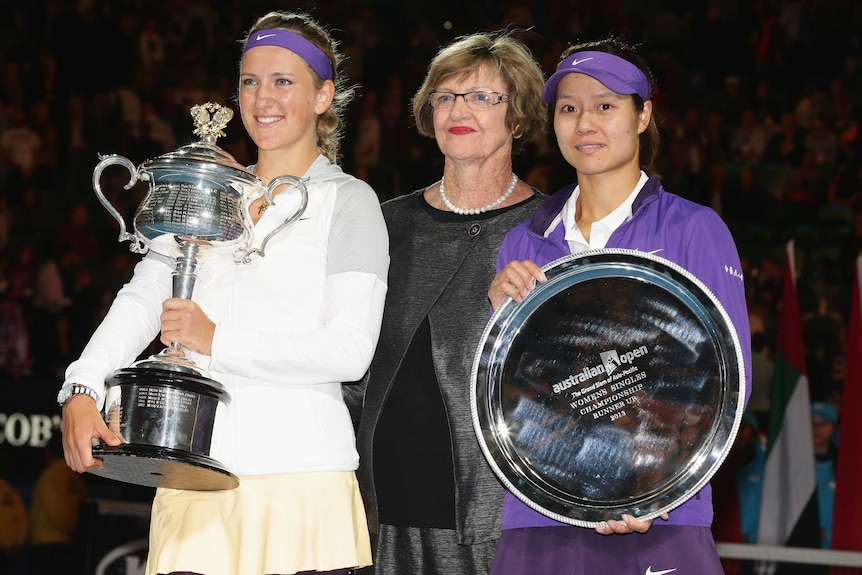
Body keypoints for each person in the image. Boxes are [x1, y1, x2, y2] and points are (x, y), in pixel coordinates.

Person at [58, 10, 388, 575]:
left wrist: (216, 340)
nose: (263, 98)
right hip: (192, 476)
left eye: (284, 81)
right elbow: (142, 298)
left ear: (323, 95)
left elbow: (350, 351)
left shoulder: (349, 202)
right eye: (250, 81)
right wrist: (83, 384)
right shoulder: (208, 191)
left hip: (302, 487)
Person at [487, 37, 752, 574]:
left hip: (661, 518)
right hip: (542, 514)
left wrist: (651, 489)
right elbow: (512, 394)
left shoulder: (694, 228)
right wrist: (496, 317)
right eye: (569, 108)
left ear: (642, 115)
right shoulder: (523, 243)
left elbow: (725, 381)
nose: (585, 122)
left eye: (605, 105)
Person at [353, 31, 547, 575]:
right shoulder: (384, 223)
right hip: (376, 516)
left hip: (497, 522)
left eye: (484, 97)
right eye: (446, 96)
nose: (459, 109)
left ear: (519, 116)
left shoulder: (552, 229)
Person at [811, 401, 838, 549]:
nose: (815, 429)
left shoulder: (844, 468)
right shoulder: (793, 468)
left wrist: (828, 533)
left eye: (822, 423)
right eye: (811, 422)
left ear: (832, 427)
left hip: (835, 554)